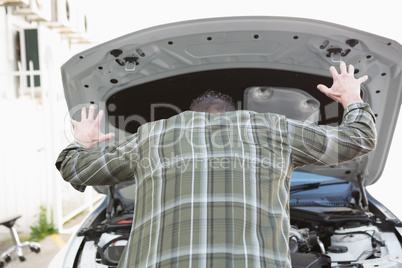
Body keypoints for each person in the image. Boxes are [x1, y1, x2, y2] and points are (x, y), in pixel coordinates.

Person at [56, 61, 377, 268]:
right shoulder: (273, 128)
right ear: (236, 112)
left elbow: (74, 168)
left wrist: (83, 140)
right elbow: (359, 138)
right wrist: (351, 97)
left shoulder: (151, 135)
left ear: (189, 114)